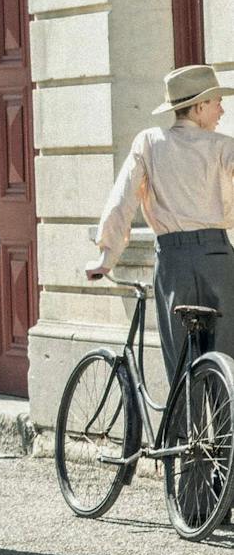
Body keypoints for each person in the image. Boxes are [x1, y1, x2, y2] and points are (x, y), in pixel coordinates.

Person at [88, 65, 234, 379]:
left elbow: (122, 199)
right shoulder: (224, 146)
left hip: (173, 260)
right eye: (216, 102)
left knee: (180, 364)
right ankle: (227, 427)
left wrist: (107, 256)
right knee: (227, 364)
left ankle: (182, 429)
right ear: (198, 107)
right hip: (218, 259)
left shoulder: (150, 142)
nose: (222, 109)